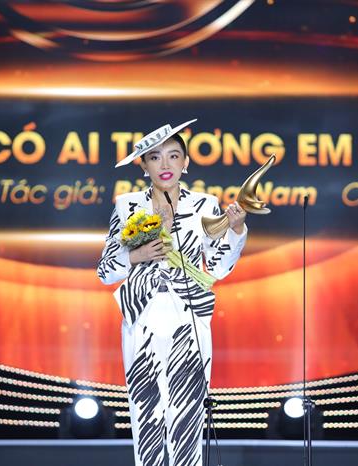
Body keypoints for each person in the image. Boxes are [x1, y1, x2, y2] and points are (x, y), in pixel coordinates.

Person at [97, 119, 247, 466]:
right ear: (144, 165)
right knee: (146, 414)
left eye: (173, 156)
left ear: (185, 162)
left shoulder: (205, 205)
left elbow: (219, 267)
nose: (165, 164)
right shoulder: (128, 206)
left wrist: (236, 230)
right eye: (155, 157)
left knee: (187, 416)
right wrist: (135, 255)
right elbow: (105, 271)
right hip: (143, 317)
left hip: (189, 316)